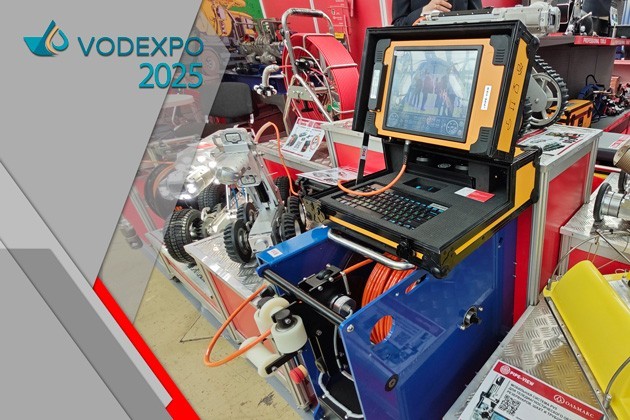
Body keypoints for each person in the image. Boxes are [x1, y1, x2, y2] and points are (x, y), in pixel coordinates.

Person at [392, 0, 482, 26]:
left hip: (462, 53)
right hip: (420, 53)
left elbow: (480, 19)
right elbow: (399, 24)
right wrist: (423, 11)